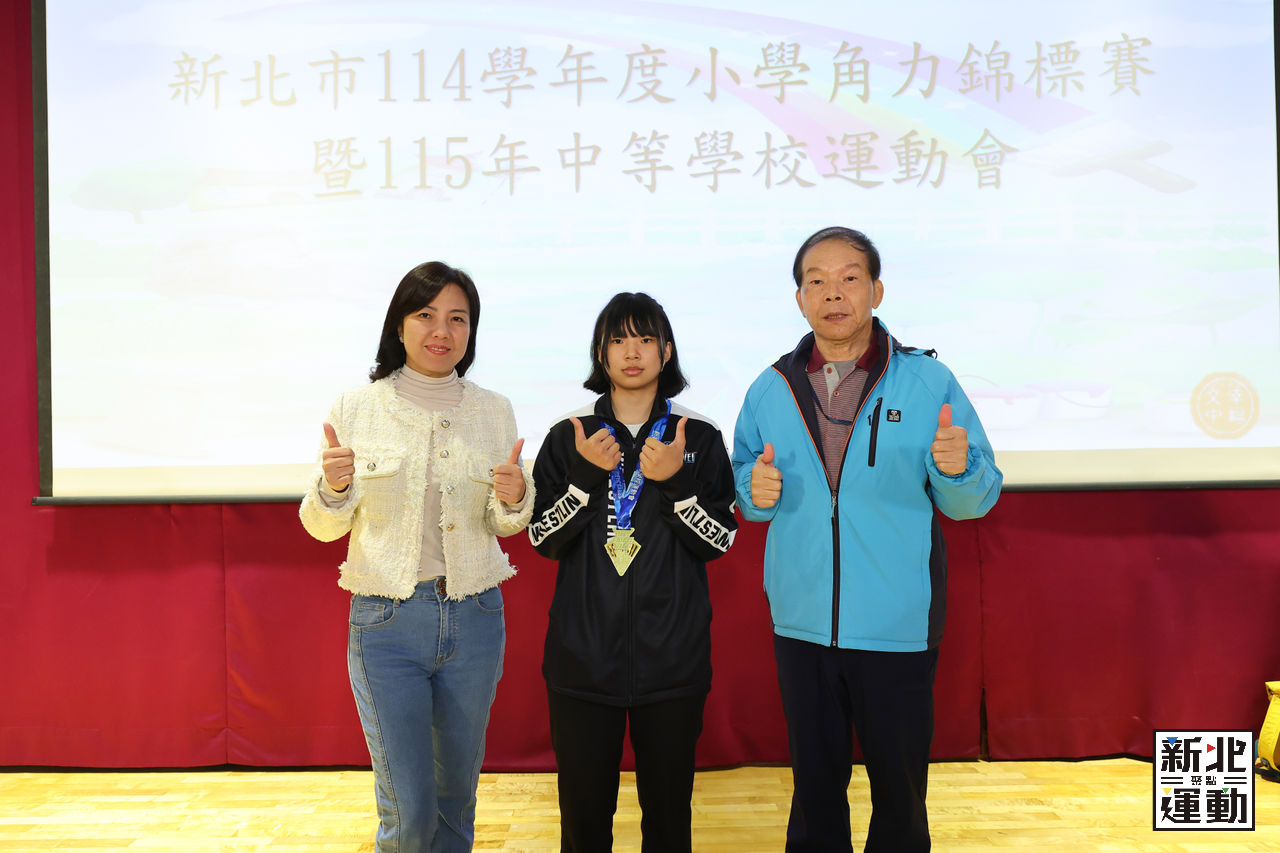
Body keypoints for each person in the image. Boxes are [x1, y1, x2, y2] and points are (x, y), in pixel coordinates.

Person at [731, 227, 1002, 853]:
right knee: (814, 793)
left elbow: (973, 501)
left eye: (849, 278)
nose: (834, 293)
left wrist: (956, 468)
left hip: (896, 624)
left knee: (900, 797)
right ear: (799, 299)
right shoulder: (769, 388)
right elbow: (746, 489)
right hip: (802, 625)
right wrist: (754, 490)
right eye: (817, 281)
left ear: (876, 291)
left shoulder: (927, 382)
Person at [299, 261, 534, 853]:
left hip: (475, 617)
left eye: (458, 318)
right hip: (387, 622)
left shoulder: (494, 409)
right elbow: (323, 528)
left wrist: (514, 498)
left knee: (456, 801)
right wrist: (332, 487)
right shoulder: (357, 407)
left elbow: (503, 523)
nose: (442, 331)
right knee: (406, 807)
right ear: (399, 325)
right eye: (426, 315)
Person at [527, 292, 738, 853]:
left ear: (666, 351)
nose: (632, 352)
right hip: (581, 664)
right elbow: (542, 539)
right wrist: (583, 479)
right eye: (618, 340)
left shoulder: (697, 436)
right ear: (600, 352)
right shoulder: (569, 434)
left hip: (673, 664)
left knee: (668, 824)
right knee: (583, 825)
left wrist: (675, 484)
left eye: (646, 339)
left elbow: (720, 541)